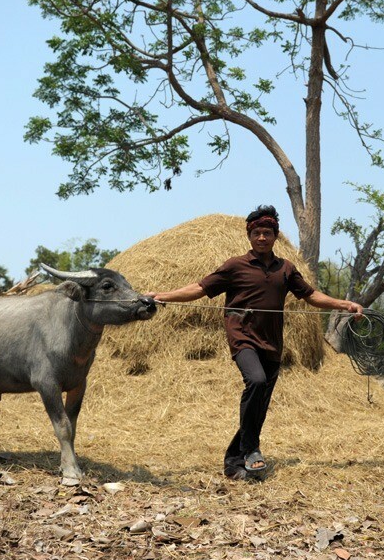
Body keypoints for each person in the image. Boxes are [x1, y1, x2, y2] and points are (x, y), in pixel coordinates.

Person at [148, 205, 364, 480]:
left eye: (267, 233)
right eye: (257, 233)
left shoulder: (285, 268)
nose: (262, 238)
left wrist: (345, 304)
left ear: (275, 236)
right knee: (257, 381)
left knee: (259, 404)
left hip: (272, 343)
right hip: (243, 337)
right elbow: (200, 288)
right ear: (249, 236)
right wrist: (162, 296)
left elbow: (311, 296)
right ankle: (251, 449)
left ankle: (234, 463)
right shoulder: (235, 266)